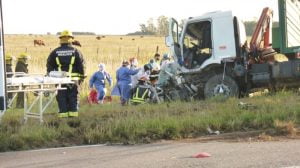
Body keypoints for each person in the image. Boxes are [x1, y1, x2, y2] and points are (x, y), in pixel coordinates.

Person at [46, 30, 85, 118]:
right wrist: (81, 78)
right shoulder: (76, 51)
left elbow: (49, 67)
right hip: (73, 81)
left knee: (61, 98)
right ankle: (73, 118)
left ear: (61, 39)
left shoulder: (54, 52)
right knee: (73, 98)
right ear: (71, 39)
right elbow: (82, 66)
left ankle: (63, 118)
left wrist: (52, 77)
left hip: (60, 81)